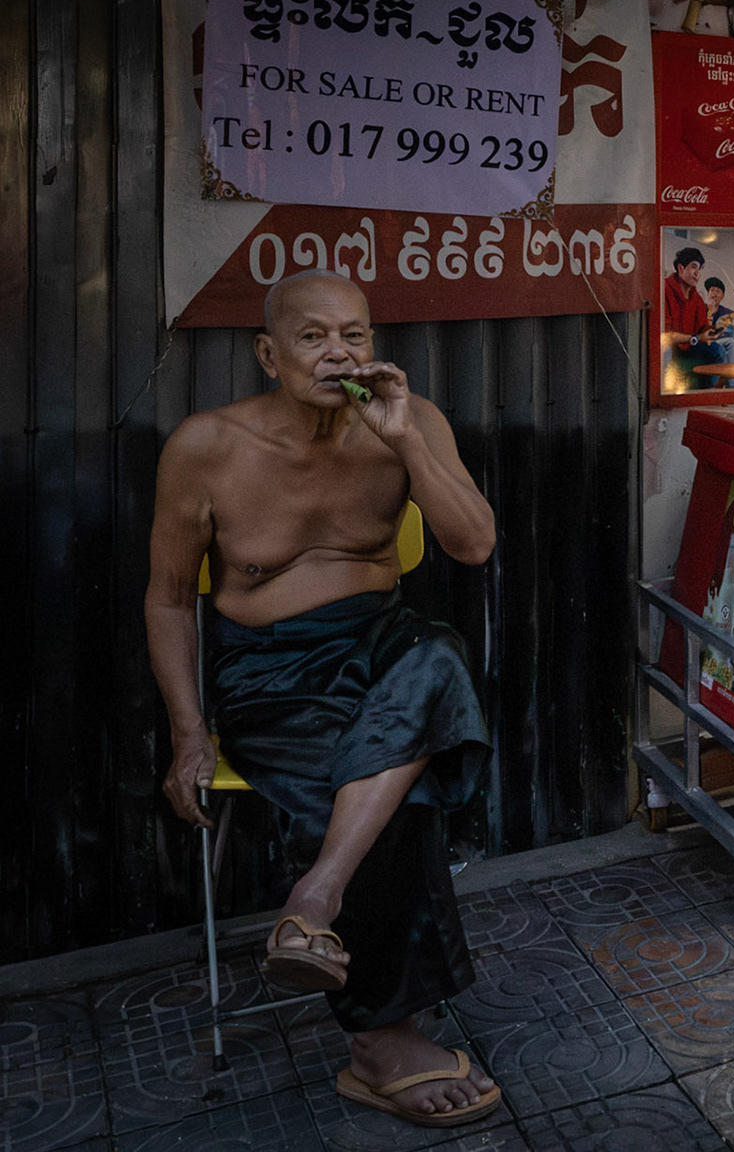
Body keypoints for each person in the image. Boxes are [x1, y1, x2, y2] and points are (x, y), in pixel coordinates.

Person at [145, 270, 501, 1130]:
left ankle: (315, 899)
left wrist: (407, 441)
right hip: (269, 675)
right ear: (270, 354)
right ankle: (381, 1045)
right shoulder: (206, 446)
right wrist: (190, 734)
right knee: (389, 789)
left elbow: (474, 545)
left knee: (438, 653)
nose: (338, 354)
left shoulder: (410, 423)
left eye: (354, 336)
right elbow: (167, 599)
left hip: (380, 646)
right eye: (313, 337)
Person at [661, 246, 707, 346]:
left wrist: (713, 330)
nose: (697, 273)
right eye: (694, 267)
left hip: (691, 346)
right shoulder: (663, 289)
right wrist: (695, 338)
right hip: (668, 348)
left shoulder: (697, 299)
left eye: (699, 269)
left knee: (728, 343)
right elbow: (664, 335)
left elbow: (702, 327)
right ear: (681, 268)